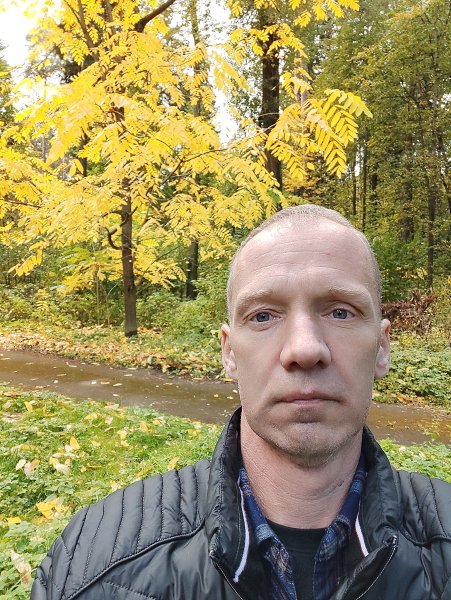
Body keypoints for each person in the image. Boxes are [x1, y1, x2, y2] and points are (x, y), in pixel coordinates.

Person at [31, 204, 451, 600]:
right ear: (229, 352)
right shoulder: (92, 569)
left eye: (340, 312)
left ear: (381, 347)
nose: (304, 349)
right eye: (263, 316)